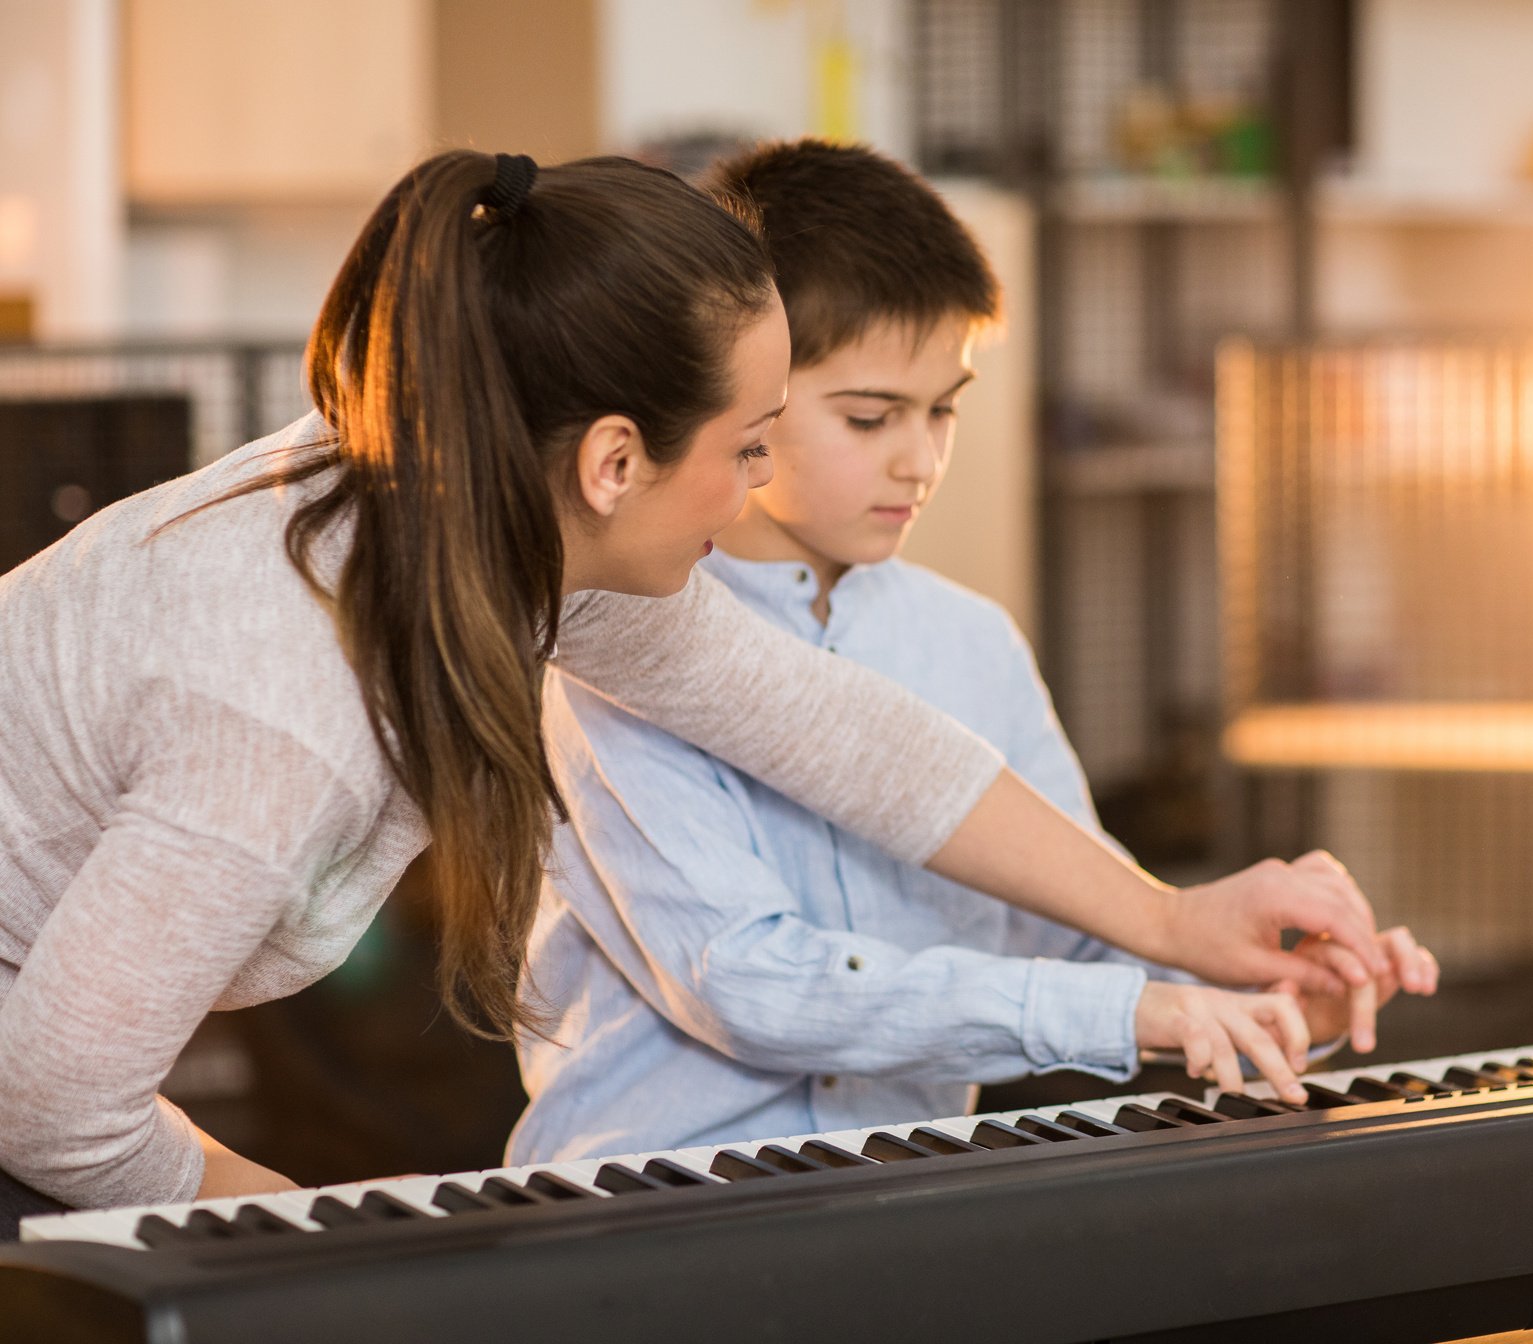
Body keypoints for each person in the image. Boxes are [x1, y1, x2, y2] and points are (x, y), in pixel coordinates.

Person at [0, 151, 1393, 1237]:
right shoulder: (281, 710)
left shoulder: (499, 513)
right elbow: (59, 1110)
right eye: (745, 449)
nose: (751, 501)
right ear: (614, 463)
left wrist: (1173, 919)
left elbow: (842, 737)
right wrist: (322, 1236)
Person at [508, 141, 1438, 1166]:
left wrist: (1258, 997)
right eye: (870, 416)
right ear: (748, 394)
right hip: (646, 1213)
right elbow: (747, 983)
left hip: (913, 1208)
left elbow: (1083, 929)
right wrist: (1136, 1008)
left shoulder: (971, 641)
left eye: (944, 408)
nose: (921, 458)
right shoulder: (613, 640)